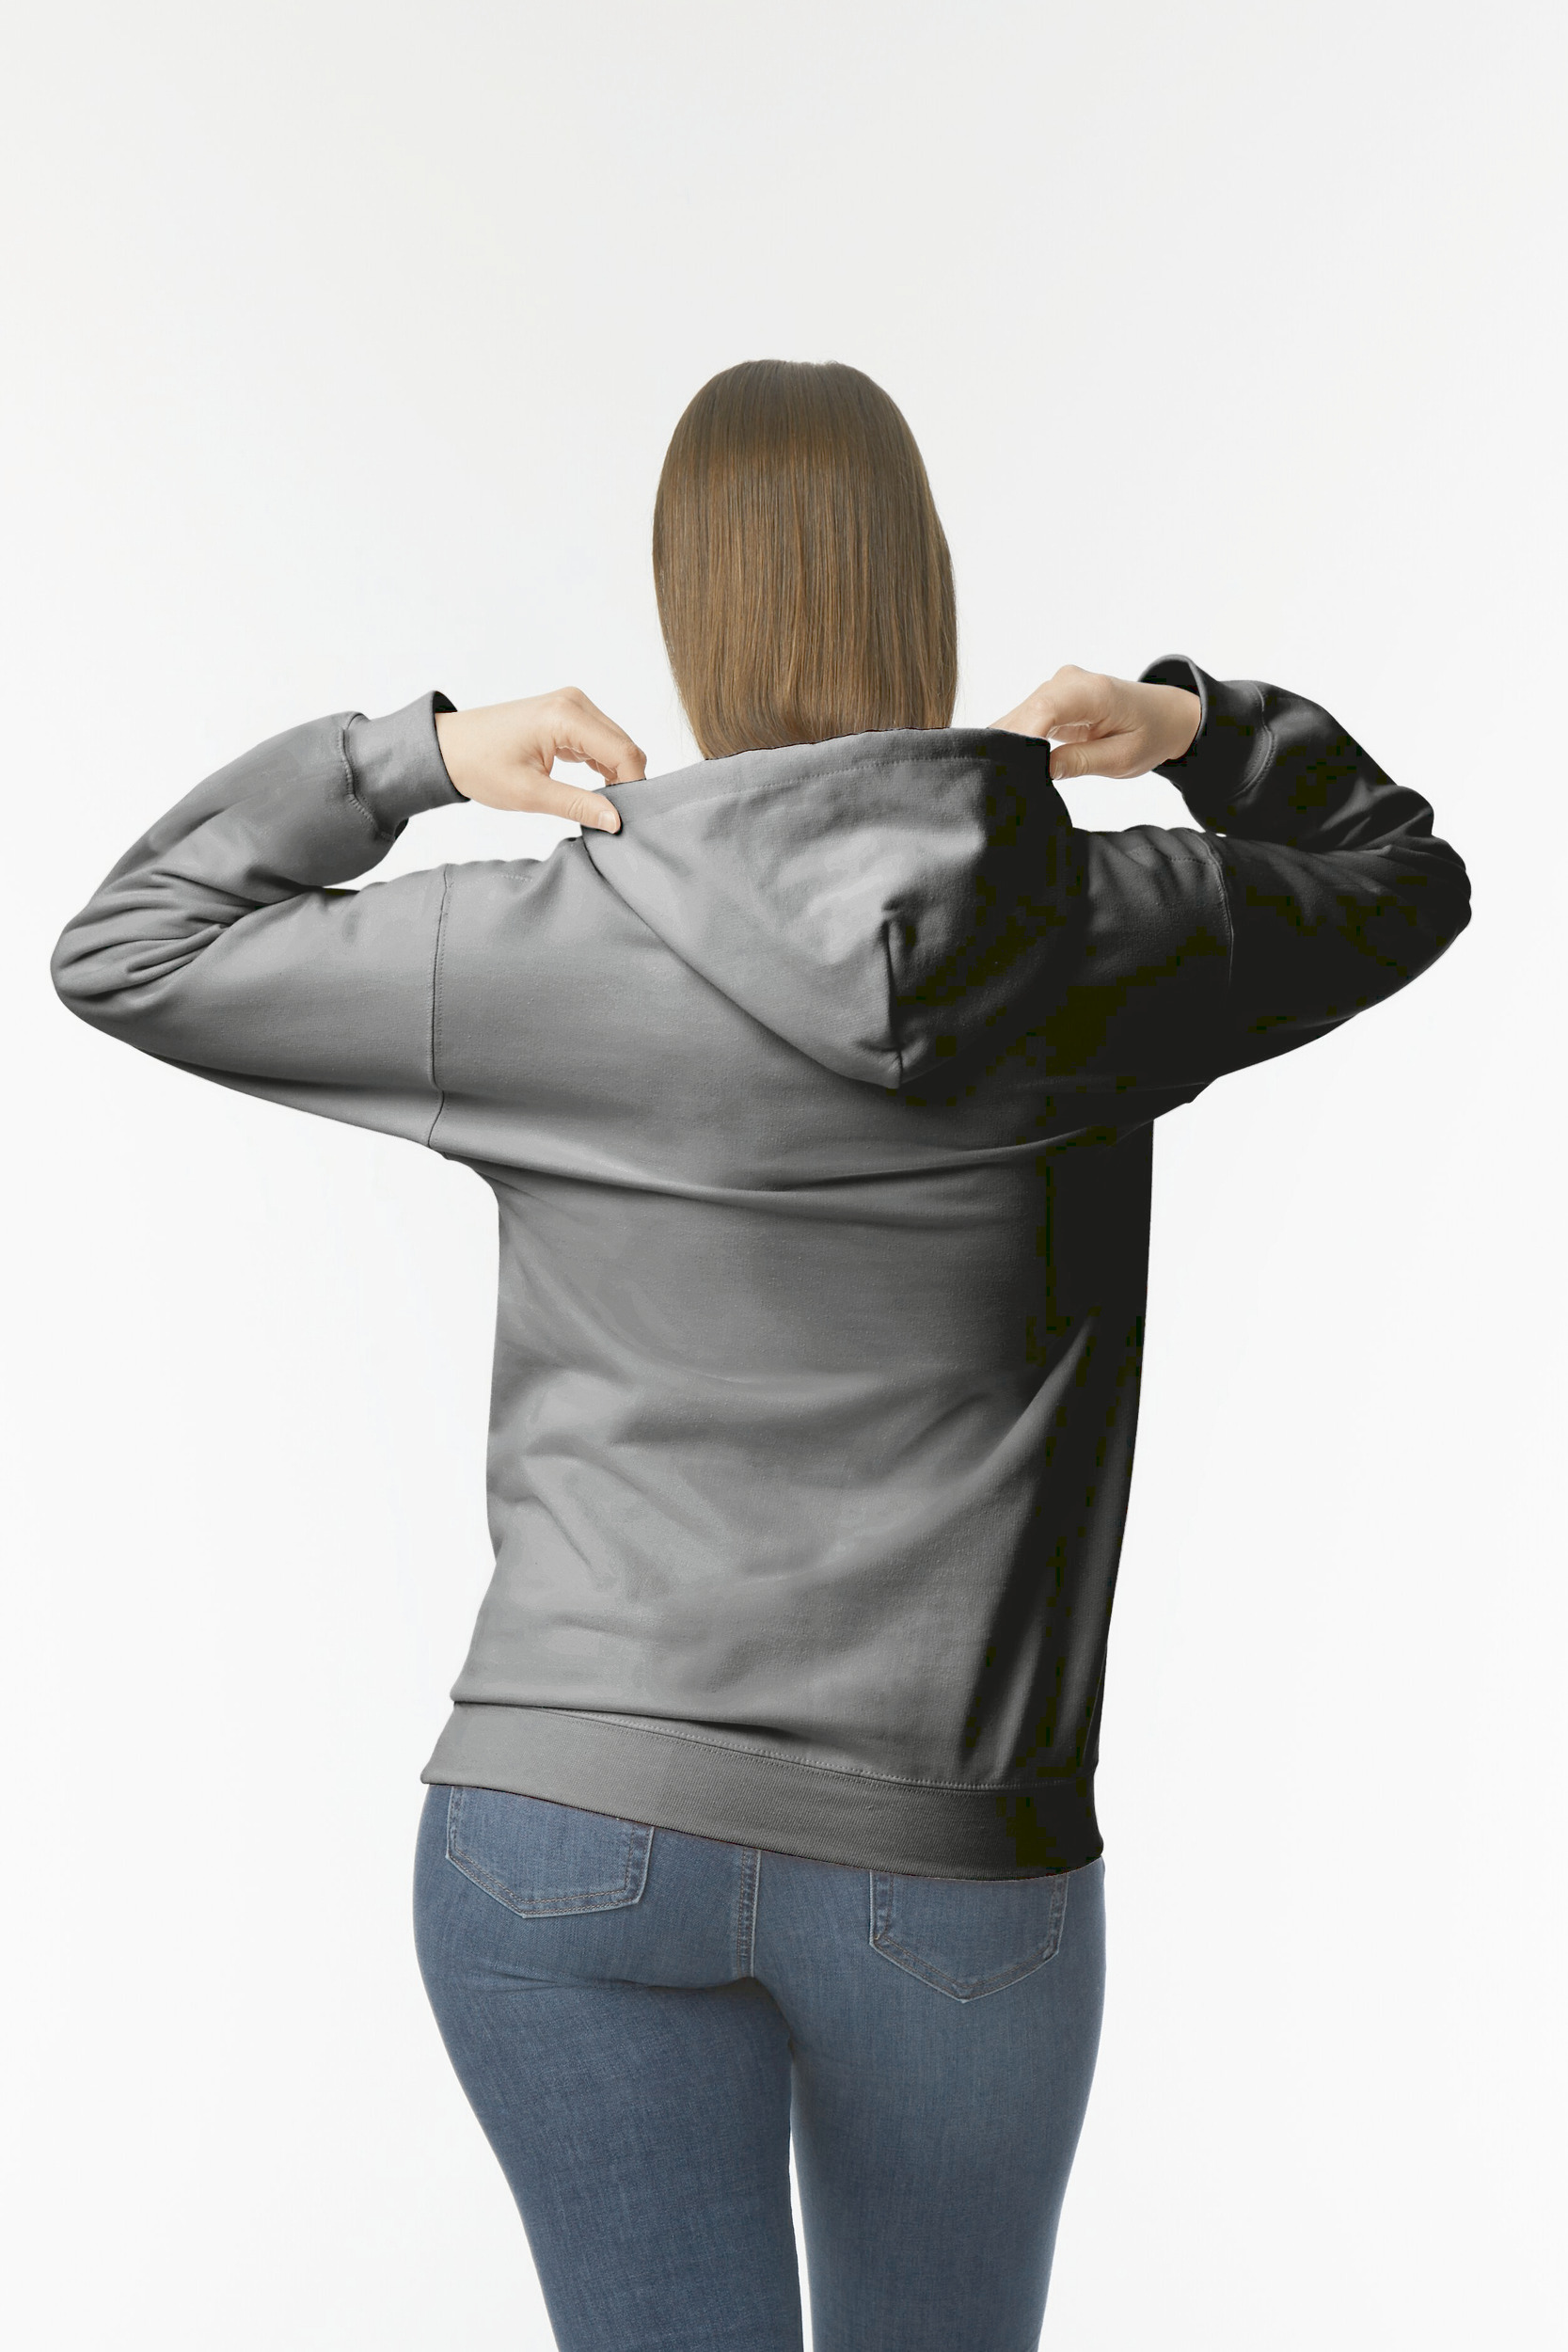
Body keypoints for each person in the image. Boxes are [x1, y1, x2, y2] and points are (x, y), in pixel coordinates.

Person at [50, 358, 1470, 2352]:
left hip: (563, 1825)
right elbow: (1404, 880)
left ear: (685, 605)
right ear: (926, 587)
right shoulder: (1117, 928)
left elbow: (132, 946)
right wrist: (1200, 729)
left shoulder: (534, 948)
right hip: (948, 1847)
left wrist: (411, 758)